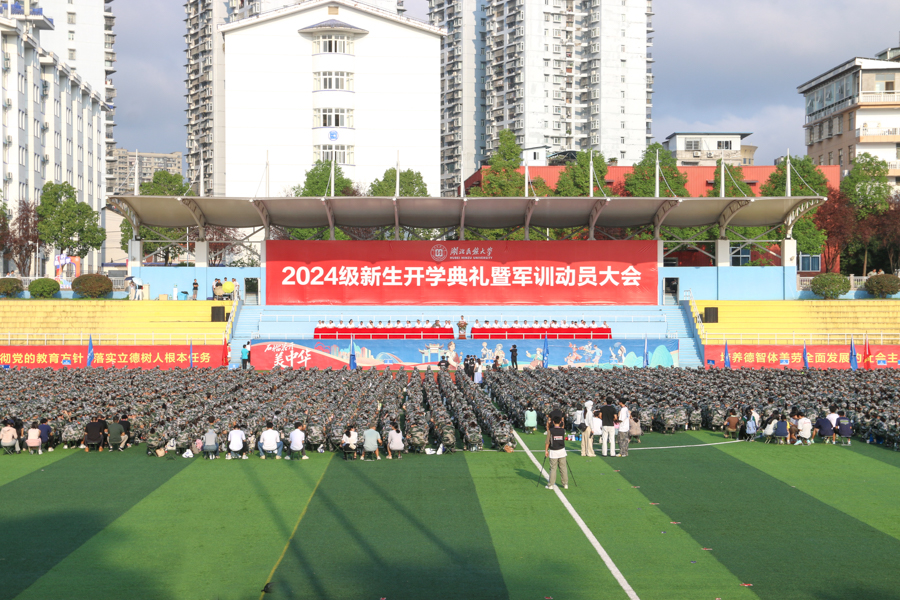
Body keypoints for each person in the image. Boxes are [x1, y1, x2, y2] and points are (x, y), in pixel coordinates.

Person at [544, 414, 568, 490]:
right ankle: (565, 484)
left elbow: (547, 442)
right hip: (562, 451)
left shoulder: (550, 431)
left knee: (553, 468)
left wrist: (546, 450)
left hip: (553, 451)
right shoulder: (563, 430)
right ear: (560, 422)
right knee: (563, 468)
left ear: (553, 422)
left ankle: (551, 484)